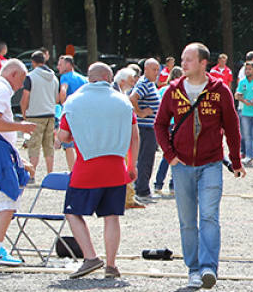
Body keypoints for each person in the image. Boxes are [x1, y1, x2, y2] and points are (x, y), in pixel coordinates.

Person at [154, 42, 245, 290]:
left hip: (211, 163)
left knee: (209, 216)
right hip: (181, 165)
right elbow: (160, 124)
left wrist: (236, 161)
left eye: (189, 59)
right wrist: (170, 155)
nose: (183, 64)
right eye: (182, 59)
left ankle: (208, 268)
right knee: (187, 220)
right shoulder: (173, 91)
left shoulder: (220, 90)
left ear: (203, 63)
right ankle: (193, 269)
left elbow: (232, 127)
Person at [57, 63, 139, 279]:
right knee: (111, 216)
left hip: (87, 166)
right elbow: (134, 136)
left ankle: (91, 256)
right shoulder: (123, 101)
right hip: (116, 166)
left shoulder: (74, 101)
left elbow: (63, 136)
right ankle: (111, 265)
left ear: (89, 78)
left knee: (72, 212)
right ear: (108, 78)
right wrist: (132, 165)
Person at [0, 59, 36, 266]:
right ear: (12, 74)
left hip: (1, 149)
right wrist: (22, 127)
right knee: (8, 199)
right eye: (21, 80)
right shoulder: (1, 89)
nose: (20, 86)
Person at [128, 58, 161, 202]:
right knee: (145, 159)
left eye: (158, 70)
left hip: (149, 127)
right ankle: (142, 190)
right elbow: (132, 98)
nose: (156, 73)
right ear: (146, 69)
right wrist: (140, 112)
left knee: (147, 158)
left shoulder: (150, 83)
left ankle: (142, 188)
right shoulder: (144, 83)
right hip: (145, 128)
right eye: (154, 70)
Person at [20, 50, 58, 174]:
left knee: (34, 146)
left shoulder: (30, 77)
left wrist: (24, 114)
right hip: (50, 114)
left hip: (35, 115)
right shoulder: (54, 78)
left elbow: (25, 98)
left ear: (33, 62)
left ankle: (32, 174)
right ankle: (50, 173)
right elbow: (56, 98)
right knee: (49, 146)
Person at [153, 66, 183, 196]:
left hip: (165, 125)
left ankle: (158, 184)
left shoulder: (162, 90)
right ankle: (173, 186)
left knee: (167, 155)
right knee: (177, 155)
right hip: (177, 124)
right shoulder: (181, 90)